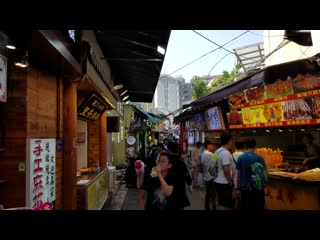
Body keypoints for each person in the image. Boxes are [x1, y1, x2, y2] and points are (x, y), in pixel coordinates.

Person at [236, 138, 267, 210]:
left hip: (245, 189)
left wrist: (237, 188)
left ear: (245, 146)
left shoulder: (241, 158)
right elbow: (265, 174)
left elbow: (238, 175)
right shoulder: (260, 158)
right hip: (258, 189)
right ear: (255, 146)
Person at [214, 132, 235, 210]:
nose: (232, 142)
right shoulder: (226, 153)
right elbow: (226, 170)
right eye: (231, 140)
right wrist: (230, 181)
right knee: (226, 205)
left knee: (220, 202)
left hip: (217, 180)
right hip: (224, 183)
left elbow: (212, 163)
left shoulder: (217, 151)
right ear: (229, 141)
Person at [201, 140, 218, 210]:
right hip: (211, 177)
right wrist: (215, 175)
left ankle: (207, 207)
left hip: (206, 177)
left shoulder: (203, 153)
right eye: (212, 145)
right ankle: (214, 207)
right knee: (213, 195)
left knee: (208, 194)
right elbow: (213, 166)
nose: (213, 147)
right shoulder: (211, 154)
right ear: (208, 146)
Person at [232, 141, 245, 209]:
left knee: (236, 199)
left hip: (234, 180)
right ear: (244, 147)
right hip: (242, 181)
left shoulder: (232, 155)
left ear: (235, 147)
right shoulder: (244, 156)